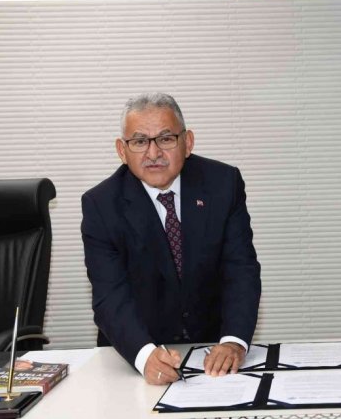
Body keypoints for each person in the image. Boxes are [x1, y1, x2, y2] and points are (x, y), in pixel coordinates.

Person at [81, 93, 261, 385]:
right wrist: (144, 355)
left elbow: (240, 269)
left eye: (166, 139)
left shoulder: (223, 184)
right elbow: (109, 295)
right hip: (135, 353)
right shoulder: (101, 205)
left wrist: (233, 341)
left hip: (212, 352)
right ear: (122, 150)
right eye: (140, 141)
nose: (153, 153)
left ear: (187, 142)